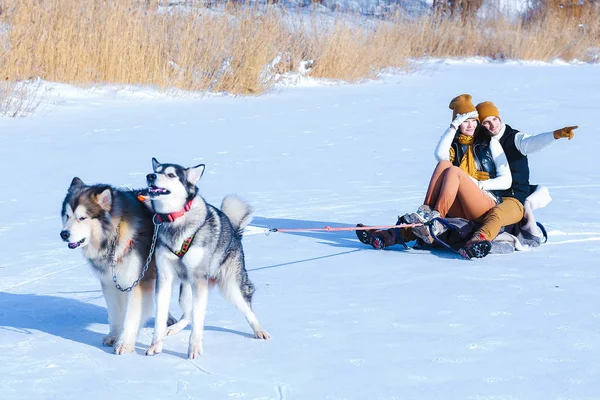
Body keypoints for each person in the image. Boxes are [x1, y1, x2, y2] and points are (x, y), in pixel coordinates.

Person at [358, 94, 512, 250]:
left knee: (454, 171)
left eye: (474, 121)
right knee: (445, 164)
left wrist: (478, 184)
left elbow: (506, 181)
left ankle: (435, 218)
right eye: (465, 121)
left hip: (485, 202)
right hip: (460, 204)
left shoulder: (489, 142)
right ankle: (392, 234)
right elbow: (440, 156)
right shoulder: (453, 146)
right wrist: (453, 127)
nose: (471, 125)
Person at [458, 101, 577, 258]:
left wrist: (556, 135)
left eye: (495, 119)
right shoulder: (480, 143)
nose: (493, 125)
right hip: (489, 195)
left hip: (512, 197)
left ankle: (478, 240)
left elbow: (532, 142)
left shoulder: (514, 138)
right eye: (486, 122)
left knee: (497, 214)